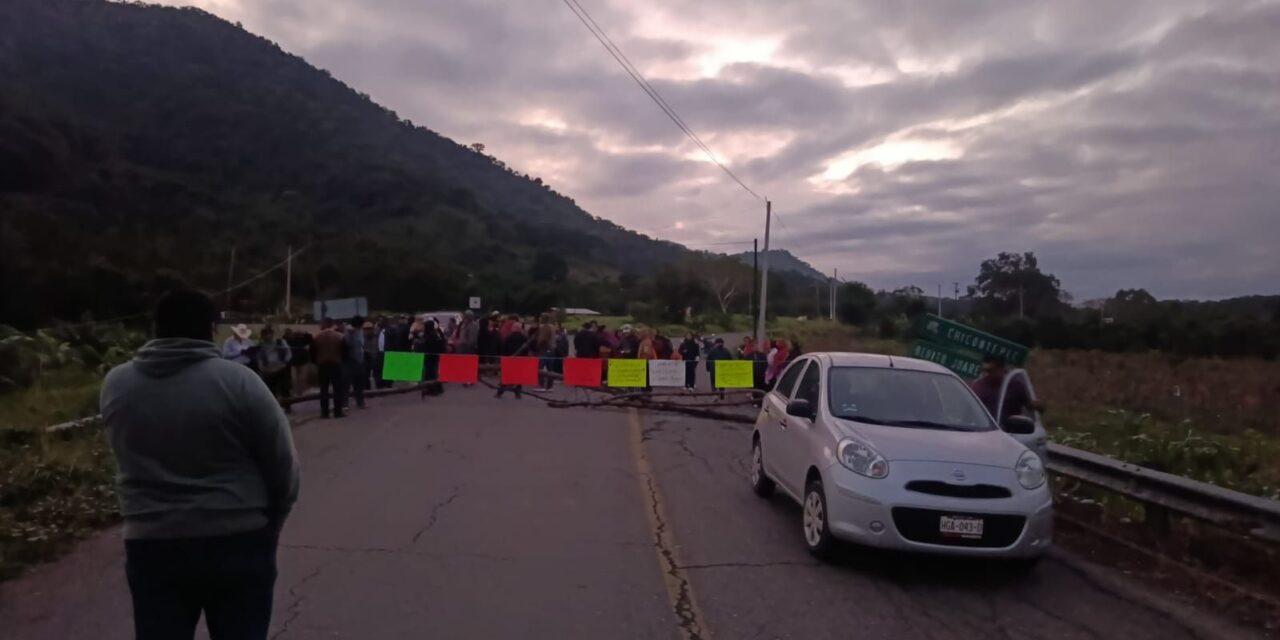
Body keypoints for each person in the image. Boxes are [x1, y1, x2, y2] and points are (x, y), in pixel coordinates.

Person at [99, 290, 299, 640]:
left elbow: (124, 451)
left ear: (155, 328)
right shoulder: (240, 382)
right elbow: (283, 466)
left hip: (152, 543)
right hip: (237, 539)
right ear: (211, 329)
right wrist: (272, 521)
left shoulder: (117, 384)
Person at [971, 354, 1045, 421]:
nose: (986, 374)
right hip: (981, 427)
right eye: (984, 371)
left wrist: (1039, 406)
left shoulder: (1015, 386)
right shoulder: (978, 386)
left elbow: (1029, 405)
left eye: (991, 371)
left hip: (1008, 429)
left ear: (1002, 369)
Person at [312, 318, 346, 419]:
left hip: (322, 365)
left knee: (323, 389)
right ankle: (338, 412)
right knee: (337, 389)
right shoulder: (340, 336)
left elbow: (312, 353)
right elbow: (345, 351)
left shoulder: (317, 337)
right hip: (336, 364)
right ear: (332, 324)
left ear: (324, 324)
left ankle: (325, 413)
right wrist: (342, 361)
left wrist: (317, 362)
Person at [255, 325, 293, 406]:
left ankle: (287, 407)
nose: (267, 336)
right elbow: (259, 358)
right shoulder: (260, 345)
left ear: (272, 334)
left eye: (269, 334)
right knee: (271, 391)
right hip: (268, 371)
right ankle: (274, 407)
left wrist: (285, 362)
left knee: (284, 389)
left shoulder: (280, 342)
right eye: (265, 334)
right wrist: (262, 368)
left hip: (281, 369)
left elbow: (288, 352)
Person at [495, 321, 527, 399]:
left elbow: (504, 349)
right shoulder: (524, 338)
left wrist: (503, 358)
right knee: (518, 378)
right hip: (520, 360)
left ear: (514, 328)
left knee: (505, 377)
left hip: (509, 359)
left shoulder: (509, 337)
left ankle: (499, 392)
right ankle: (518, 393)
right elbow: (526, 350)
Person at [343, 317, 367, 410]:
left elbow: (361, 345)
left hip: (359, 360)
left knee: (359, 383)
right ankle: (344, 404)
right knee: (346, 384)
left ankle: (360, 402)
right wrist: (350, 333)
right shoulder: (349, 331)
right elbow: (348, 344)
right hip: (350, 360)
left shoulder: (360, 331)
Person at [284, 327, 313, 395]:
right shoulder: (292, 339)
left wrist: (305, 333)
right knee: (297, 377)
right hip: (296, 361)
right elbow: (285, 339)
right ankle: (298, 390)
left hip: (301, 360)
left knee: (301, 377)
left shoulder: (303, 339)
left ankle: (300, 390)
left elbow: (311, 340)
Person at [361, 321, 378, 391]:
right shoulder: (362, 337)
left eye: (369, 329)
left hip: (375, 357)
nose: (367, 331)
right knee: (365, 374)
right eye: (366, 329)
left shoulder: (376, 337)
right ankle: (367, 388)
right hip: (366, 357)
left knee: (376, 374)